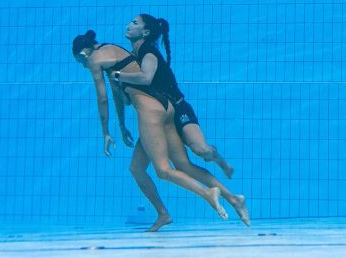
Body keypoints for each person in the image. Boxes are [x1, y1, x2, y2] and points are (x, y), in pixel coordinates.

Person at [72, 30, 230, 227]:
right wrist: (122, 126)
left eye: (81, 62)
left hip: (150, 112)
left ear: (83, 54)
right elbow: (118, 97)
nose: (84, 66)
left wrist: (106, 133)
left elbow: (102, 99)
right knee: (140, 168)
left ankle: (208, 193)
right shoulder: (113, 52)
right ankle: (163, 214)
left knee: (163, 170)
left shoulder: (95, 60)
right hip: (166, 107)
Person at [111, 14, 249, 231]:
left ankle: (220, 161)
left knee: (200, 150)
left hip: (178, 108)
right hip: (161, 115)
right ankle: (232, 199)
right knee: (162, 166)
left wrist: (118, 76)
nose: (129, 25)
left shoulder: (148, 51)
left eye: (135, 23)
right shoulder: (136, 55)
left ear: (145, 32)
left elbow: (146, 78)